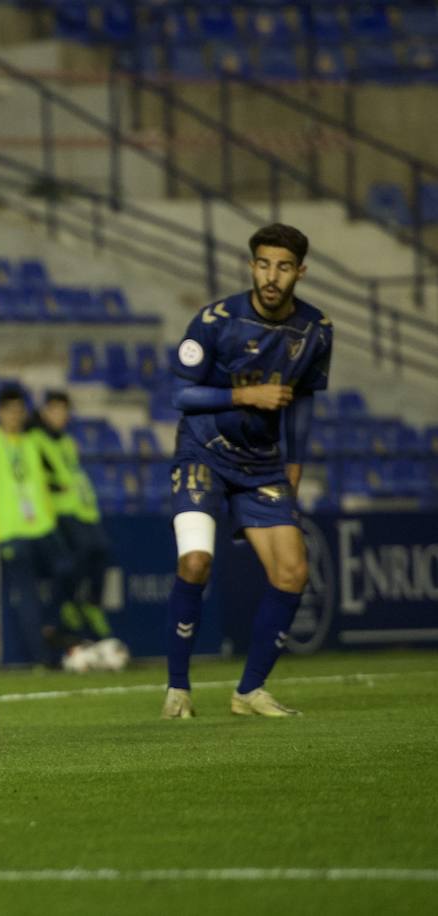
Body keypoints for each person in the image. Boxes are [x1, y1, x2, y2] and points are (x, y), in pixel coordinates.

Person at [162, 223, 332, 719]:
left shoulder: (316, 330)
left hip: (262, 465)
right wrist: (244, 395)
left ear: (300, 271)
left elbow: (301, 403)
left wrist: (294, 465)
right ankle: (177, 690)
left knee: (293, 572)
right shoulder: (215, 321)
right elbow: (181, 396)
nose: (271, 276)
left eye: (283, 266)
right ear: (252, 266)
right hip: (203, 453)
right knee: (195, 562)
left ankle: (249, 693)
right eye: (263, 264)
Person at [0, 385, 79, 669]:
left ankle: (51, 625)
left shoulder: (31, 442)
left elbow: (41, 483)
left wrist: (49, 517)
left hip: (42, 525)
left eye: (20, 411)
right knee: (27, 592)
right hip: (9, 530)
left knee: (68, 568)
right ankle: (42, 659)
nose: (15, 417)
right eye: (10, 411)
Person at [30, 390, 125, 666]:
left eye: (64, 411)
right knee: (76, 557)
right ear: (45, 412)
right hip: (60, 510)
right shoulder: (36, 440)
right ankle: (70, 606)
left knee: (100, 552)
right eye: (55, 410)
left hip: (84, 509)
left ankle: (90, 603)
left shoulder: (67, 442)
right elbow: (40, 475)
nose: (61, 416)